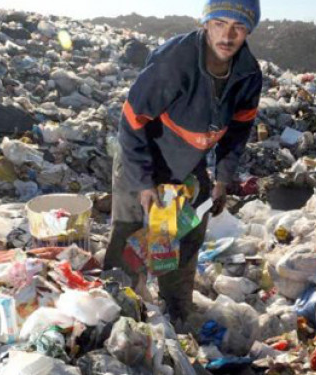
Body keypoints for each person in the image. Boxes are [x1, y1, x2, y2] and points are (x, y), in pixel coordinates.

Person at [103, 0, 263, 326]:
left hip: (187, 167)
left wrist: (222, 180)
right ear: (205, 23)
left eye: (238, 27)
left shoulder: (247, 75)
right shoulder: (175, 63)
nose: (227, 36)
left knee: (183, 234)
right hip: (143, 158)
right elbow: (132, 123)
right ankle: (117, 315)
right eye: (220, 23)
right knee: (131, 237)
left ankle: (175, 310)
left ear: (248, 31)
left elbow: (239, 131)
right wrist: (144, 183)